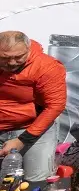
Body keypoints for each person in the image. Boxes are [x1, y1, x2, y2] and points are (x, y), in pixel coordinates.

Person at [0, 31, 66, 181]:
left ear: (28, 50)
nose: (11, 63)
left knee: (36, 178)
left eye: (18, 57)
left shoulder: (47, 66)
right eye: (4, 58)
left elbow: (55, 105)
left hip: (33, 125)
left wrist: (22, 140)